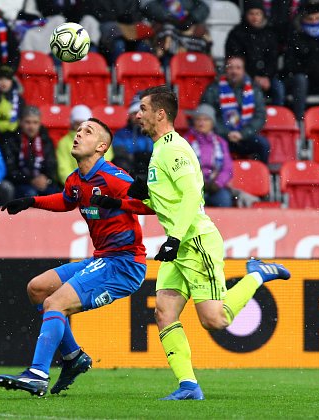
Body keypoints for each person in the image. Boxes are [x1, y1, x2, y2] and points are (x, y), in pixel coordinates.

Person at [98, 85, 291, 400]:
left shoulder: (174, 149)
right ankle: (188, 386)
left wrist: (174, 238)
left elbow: (191, 195)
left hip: (195, 241)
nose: (138, 114)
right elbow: (163, 202)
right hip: (178, 245)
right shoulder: (159, 150)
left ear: (161, 114)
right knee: (163, 312)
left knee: (215, 320)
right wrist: (122, 201)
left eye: (143, 109)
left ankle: (257, 273)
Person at [0, 117, 154, 397]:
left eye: (87, 132)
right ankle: (73, 357)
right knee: (38, 289)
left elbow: (150, 205)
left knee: (56, 302)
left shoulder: (113, 176)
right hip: (102, 259)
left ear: (102, 146)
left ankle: (37, 374)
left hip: (124, 264)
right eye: (78, 130)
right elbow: (67, 200)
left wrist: (129, 198)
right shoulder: (76, 179)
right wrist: (31, 201)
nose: (79, 134)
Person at [200, 55, 270, 163]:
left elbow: (260, 116)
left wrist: (243, 133)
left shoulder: (253, 89)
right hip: (222, 136)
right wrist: (226, 133)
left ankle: (261, 177)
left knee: (263, 145)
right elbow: (208, 116)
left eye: (238, 68)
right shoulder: (213, 89)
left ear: (243, 70)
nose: (234, 71)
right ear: (225, 70)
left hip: (246, 135)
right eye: (230, 67)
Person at [225, 0, 285, 106]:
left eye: (258, 14)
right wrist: (254, 77)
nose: (255, 17)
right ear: (246, 15)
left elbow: (273, 59)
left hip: (268, 77)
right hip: (244, 76)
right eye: (251, 14)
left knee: (279, 88)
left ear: (263, 15)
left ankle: (278, 117)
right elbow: (235, 59)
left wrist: (267, 77)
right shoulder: (236, 34)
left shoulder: (269, 33)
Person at [1, 106, 59, 198]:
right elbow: (10, 170)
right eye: (28, 122)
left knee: (56, 195)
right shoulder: (11, 141)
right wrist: (30, 180)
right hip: (20, 184)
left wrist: (46, 179)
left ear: (40, 124)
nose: (31, 126)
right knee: (31, 194)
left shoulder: (46, 141)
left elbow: (52, 165)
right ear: (21, 122)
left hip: (43, 182)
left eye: (35, 123)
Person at [185, 103, 233, 207]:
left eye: (206, 119)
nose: (202, 123)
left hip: (214, 187)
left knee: (224, 199)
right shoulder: (185, 141)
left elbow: (227, 169)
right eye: (198, 119)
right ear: (194, 122)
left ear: (212, 123)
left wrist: (217, 184)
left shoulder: (220, 142)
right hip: (192, 188)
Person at [56, 105, 114, 185]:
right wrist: (77, 185)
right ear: (72, 124)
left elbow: (106, 162)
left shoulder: (102, 139)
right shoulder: (64, 143)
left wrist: (94, 181)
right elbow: (63, 169)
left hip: (99, 183)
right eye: (78, 124)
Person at [112, 96, 153, 179]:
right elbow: (120, 153)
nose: (138, 116)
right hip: (130, 171)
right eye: (135, 113)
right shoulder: (121, 134)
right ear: (130, 115)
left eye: (141, 113)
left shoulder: (153, 133)